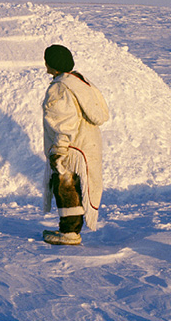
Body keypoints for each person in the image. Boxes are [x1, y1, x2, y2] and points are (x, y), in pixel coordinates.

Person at [41, 45, 109, 245]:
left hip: (71, 146)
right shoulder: (81, 81)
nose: (44, 64)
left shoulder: (60, 87)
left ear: (52, 63)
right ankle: (70, 229)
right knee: (74, 186)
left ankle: (69, 233)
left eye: (47, 60)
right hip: (87, 143)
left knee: (64, 185)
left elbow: (64, 121)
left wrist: (59, 149)